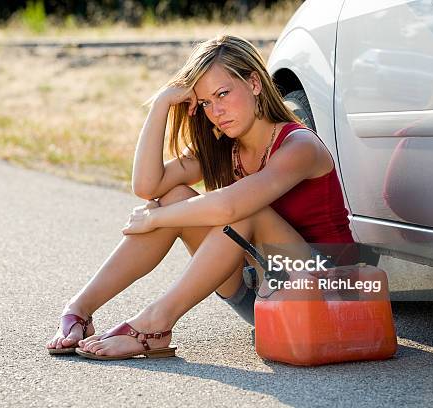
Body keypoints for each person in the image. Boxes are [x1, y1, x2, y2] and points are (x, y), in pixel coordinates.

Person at [46, 34, 355, 360]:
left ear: (254, 83)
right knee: (176, 195)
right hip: (260, 292)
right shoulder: (226, 146)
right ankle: (79, 310)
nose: (217, 111)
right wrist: (162, 103)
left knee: (245, 210)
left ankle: (156, 323)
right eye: (206, 102)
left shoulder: (299, 146)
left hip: (329, 291)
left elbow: (232, 206)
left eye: (223, 94)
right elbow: (148, 186)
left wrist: (154, 217)